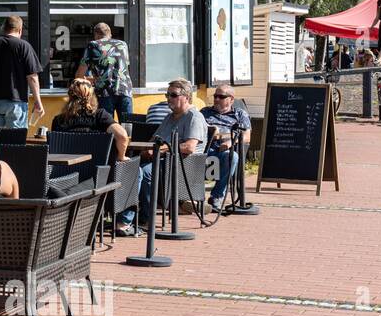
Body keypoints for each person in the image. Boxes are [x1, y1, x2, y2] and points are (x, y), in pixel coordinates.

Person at [116, 79, 208, 236]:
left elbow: (190, 147)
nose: (169, 98)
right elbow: (154, 140)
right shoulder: (170, 117)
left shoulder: (194, 117)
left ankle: (134, 220)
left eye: (173, 95)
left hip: (182, 166)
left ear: (186, 96)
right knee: (124, 167)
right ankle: (127, 217)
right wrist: (146, 150)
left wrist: (161, 149)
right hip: (162, 161)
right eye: (167, 94)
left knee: (142, 172)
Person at [0, 15, 44, 129]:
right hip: (16, 102)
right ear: (20, 30)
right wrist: (38, 101)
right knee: (15, 143)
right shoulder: (24, 46)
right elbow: (32, 77)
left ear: (4, 28)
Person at [200, 84, 251, 213]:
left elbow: (246, 136)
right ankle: (191, 199)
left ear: (231, 99)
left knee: (232, 157)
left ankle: (216, 196)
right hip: (205, 149)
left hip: (224, 151)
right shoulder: (204, 112)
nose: (216, 99)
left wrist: (230, 142)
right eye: (215, 96)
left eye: (221, 97)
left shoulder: (239, 114)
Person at [50, 78, 128, 162]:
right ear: (92, 96)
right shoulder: (100, 116)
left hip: (66, 172)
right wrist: (121, 157)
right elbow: (122, 136)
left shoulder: (58, 120)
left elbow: (55, 150)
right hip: (96, 171)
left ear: (69, 96)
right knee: (138, 170)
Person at [75, 22, 133, 120]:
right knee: (127, 127)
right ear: (110, 34)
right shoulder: (122, 44)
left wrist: (89, 79)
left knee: (106, 127)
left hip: (105, 92)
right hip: (125, 90)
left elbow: (79, 75)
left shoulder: (93, 45)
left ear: (95, 35)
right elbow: (121, 67)